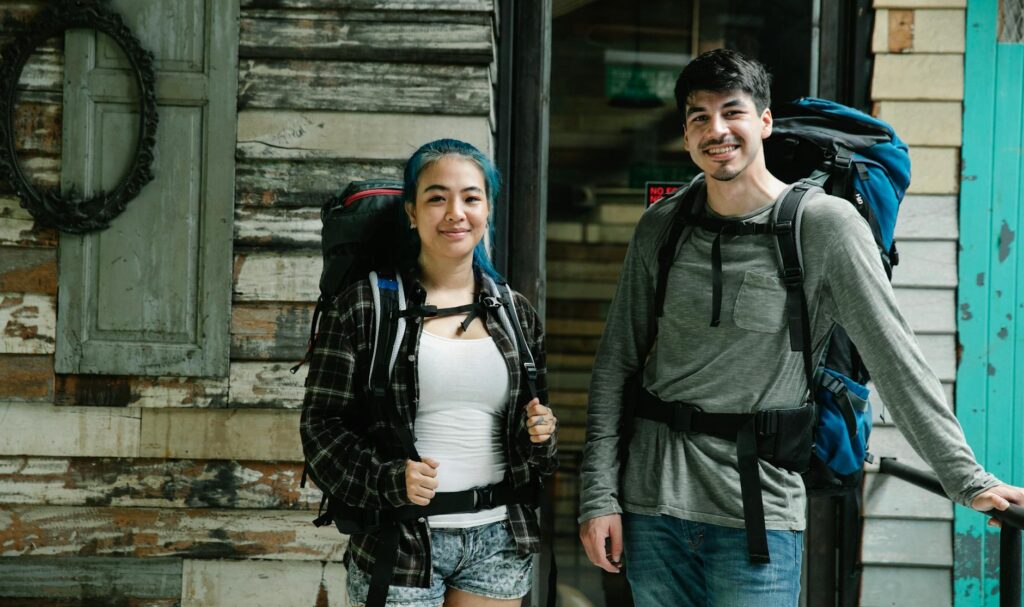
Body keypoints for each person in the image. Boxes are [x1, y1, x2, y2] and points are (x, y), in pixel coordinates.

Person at [577, 49, 1024, 606]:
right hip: (651, 509)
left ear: (764, 122)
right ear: (687, 136)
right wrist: (599, 497)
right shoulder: (662, 227)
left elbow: (894, 356)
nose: (717, 130)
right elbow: (616, 363)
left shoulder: (823, 225)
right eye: (699, 118)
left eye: (732, 112)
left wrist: (967, 480)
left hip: (757, 514)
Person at [301, 138, 558, 607]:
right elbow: (320, 427)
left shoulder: (515, 313)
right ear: (412, 213)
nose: (455, 212)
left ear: (487, 210)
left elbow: (534, 449)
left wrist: (540, 434)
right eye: (437, 197)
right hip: (402, 542)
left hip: (498, 539)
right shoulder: (366, 307)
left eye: (470, 197)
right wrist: (387, 478)